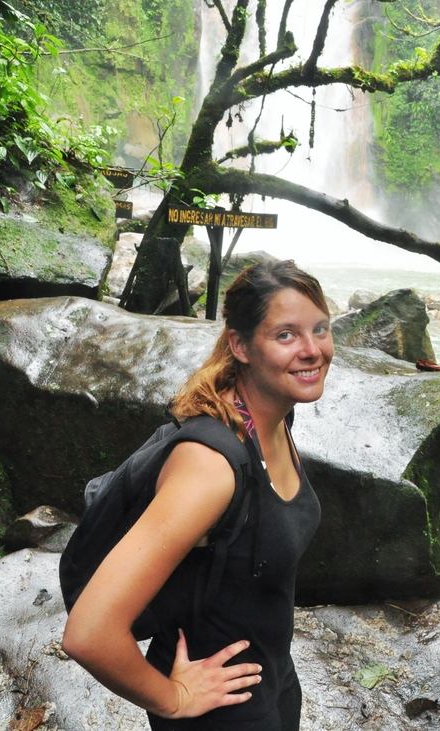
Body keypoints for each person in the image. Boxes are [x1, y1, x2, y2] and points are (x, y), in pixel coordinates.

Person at [62, 259, 331, 730]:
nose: (312, 350)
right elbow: (89, 633)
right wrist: (173, 697)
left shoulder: (273, 415)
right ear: (240, 346)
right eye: (285, 335)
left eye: (320, 329)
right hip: (220, 713)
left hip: (270, 680)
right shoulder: (210, 467)